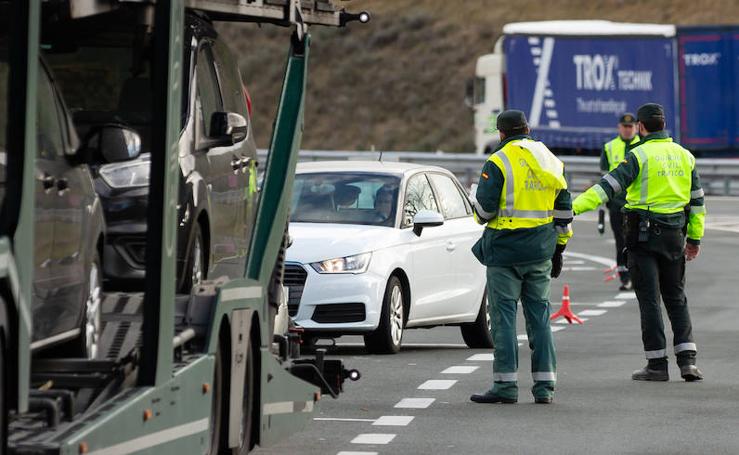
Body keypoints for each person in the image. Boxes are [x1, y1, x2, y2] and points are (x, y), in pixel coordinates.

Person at [573, 103, 706, 382]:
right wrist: (694, 238)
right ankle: (688, 362)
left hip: (643, 237)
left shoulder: (638, 155)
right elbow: (697, 203)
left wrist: (571, 209)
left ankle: (657, 365)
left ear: (641, 127)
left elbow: (605, 189)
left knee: (650, 301)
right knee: (677, 298)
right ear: (663, 124)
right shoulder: (684, 156)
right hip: (675, 236)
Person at [469, 110, 573, 405]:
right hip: (540, 250)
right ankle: (545, 388)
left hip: (505, 253)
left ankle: (505, 386)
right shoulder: (550, 159)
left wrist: (476, 206)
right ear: (527, 129)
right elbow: (564, 211)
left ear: (501, 134)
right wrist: (559, 248)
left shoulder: (498, 161)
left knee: (502, 319)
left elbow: (484, 212)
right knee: (539, 318)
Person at [601, 113, 640, 290]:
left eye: (630, 127)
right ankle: (625, 277)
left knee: (639, 242)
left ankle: (639, 276)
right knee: (621, 242)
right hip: (617, 204)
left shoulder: (643, 145)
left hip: (638, 204)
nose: (627, 130)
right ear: (619, 128)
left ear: (636, 127)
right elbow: (604, 175)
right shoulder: (610, 147)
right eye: (624, 127)